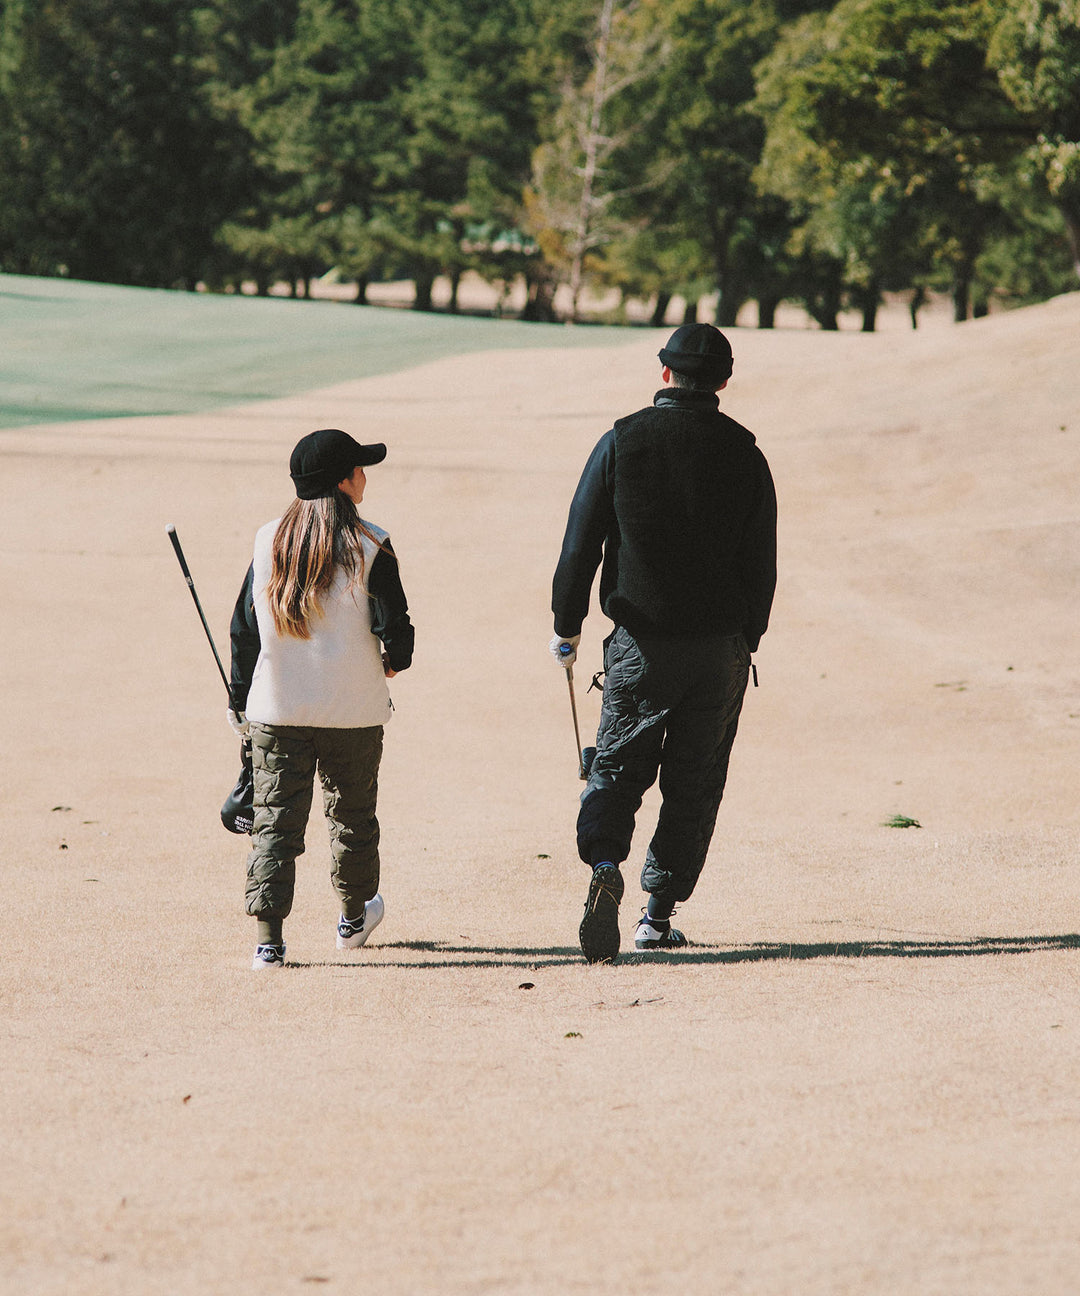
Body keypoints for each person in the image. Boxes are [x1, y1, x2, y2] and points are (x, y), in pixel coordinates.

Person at [550, 323, 776, 963]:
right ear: (724, 382)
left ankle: (603, 863)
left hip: (641, 643)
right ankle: (655, 914)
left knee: (616, 771)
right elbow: (762, 564)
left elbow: (580, 546)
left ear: (664, 373)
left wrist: (567, 626)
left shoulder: (621, 441)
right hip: (719, 648)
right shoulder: (746, 453)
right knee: (695, 782)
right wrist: (746, 640)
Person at [228, 428, 414, 970]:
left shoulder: (267, 541)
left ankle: (269, 942)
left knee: (276, 825)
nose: (365, 474)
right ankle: (353, 919)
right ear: (342, 481)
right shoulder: (373, 543)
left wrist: (240, 700)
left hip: (276, 710)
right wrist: (392, 662)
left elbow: (243, 631)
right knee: (353, 818)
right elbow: (396, 629)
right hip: (354, 710)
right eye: (360, 467)